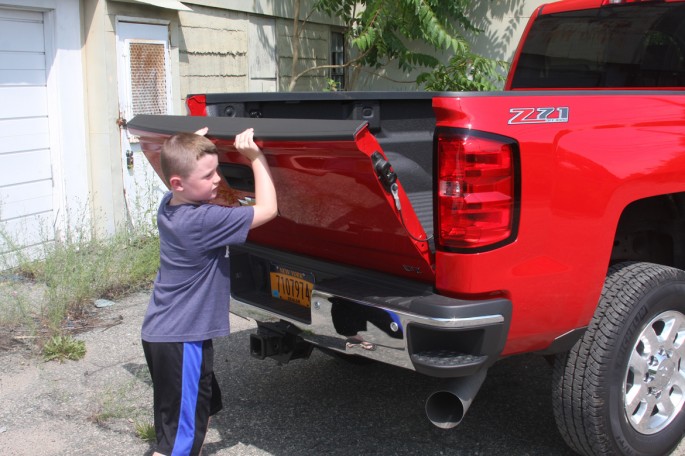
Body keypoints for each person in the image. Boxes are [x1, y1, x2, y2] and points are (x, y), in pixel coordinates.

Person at [141, 127, 277, 456]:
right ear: (179, 182)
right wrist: (256, 158)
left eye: (217, 170)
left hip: (164, 333)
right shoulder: (203, 221)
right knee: (178, 443)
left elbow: (172, 167)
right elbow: (269, 209)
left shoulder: (168, 206)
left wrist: (191, 141)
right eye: (208, 174)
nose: (217, 179)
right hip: (182, 338)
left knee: (190, 421)